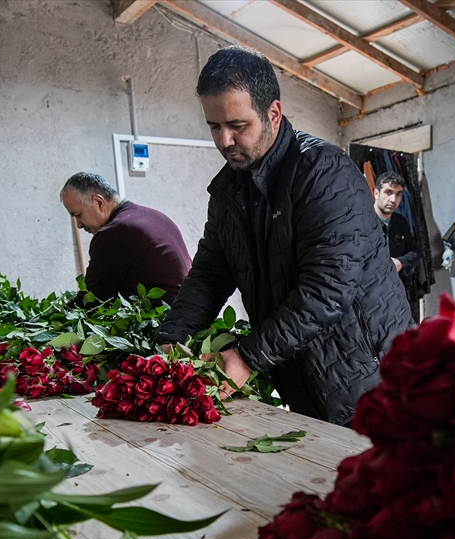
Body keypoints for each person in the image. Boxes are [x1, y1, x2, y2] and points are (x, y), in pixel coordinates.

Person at [155, 46, 413, 427]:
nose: (224, 140)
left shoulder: (323, 174)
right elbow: (210, 274)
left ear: (273, 113)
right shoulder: (228, 193)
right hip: (303, 378)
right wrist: (170, 339)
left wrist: (246, 357)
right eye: (214, 127)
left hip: (374, 379)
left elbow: (328, 289)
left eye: (237, 126)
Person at [59, 172, 190, 305]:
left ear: (98, 202)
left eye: (78, 215)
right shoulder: (156, 216)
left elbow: (91, 300)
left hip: (169, 315)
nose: (79, 224)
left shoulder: (113, 234)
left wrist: (51, 315)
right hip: (192, 307)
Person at [373, 170, 421, 314]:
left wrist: (400, 263)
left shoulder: (401, 222)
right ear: (376, 193)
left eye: (398, 194)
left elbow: (415, 252)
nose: (393, 199)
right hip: (369, 295)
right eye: (388, 192)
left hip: (396, 294)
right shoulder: (363, 222)